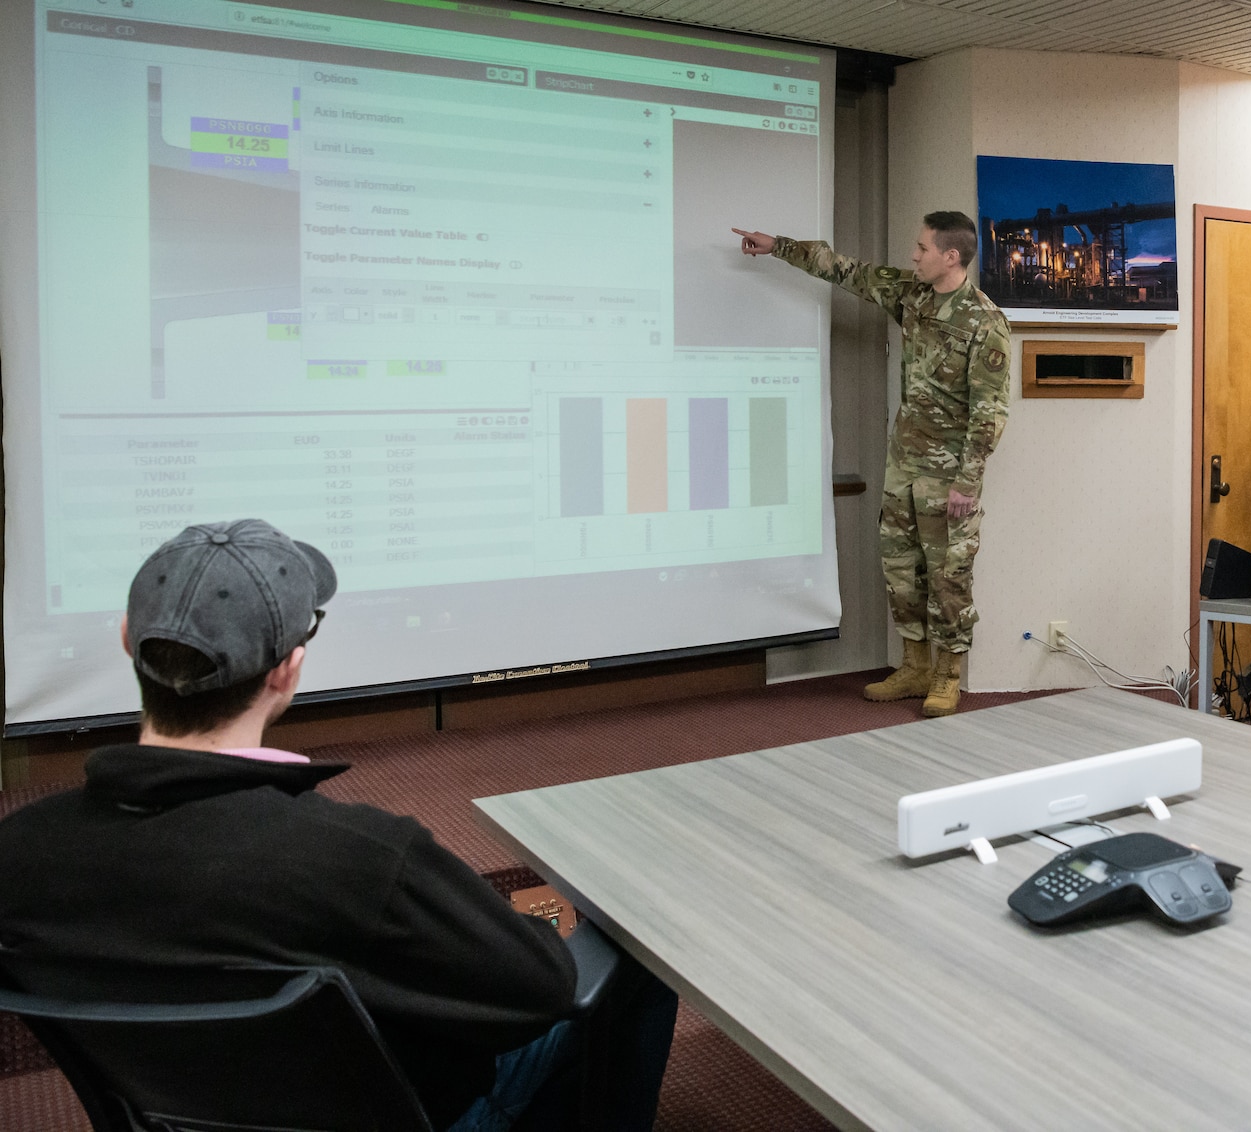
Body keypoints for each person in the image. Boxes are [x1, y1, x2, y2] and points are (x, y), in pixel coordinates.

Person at [0, 520, 676, 1130]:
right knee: (640, 949)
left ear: (126, 639)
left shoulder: (19, 851)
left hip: (162, 1117)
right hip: (421, 1115)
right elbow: (545, 988)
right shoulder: (363, 858)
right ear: (289, 669)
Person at [732, 212, 1010, 717]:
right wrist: (778, 245)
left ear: (952, 256)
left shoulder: (984, 321)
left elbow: (990, 412)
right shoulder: (913, 295)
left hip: (947, 478)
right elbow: (847, 271)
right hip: (904, 465)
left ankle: (948, 676)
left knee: (949, 577)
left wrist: (967, 482)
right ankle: (915, 666)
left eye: (923, 248)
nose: (914, 255)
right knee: (902, 571)